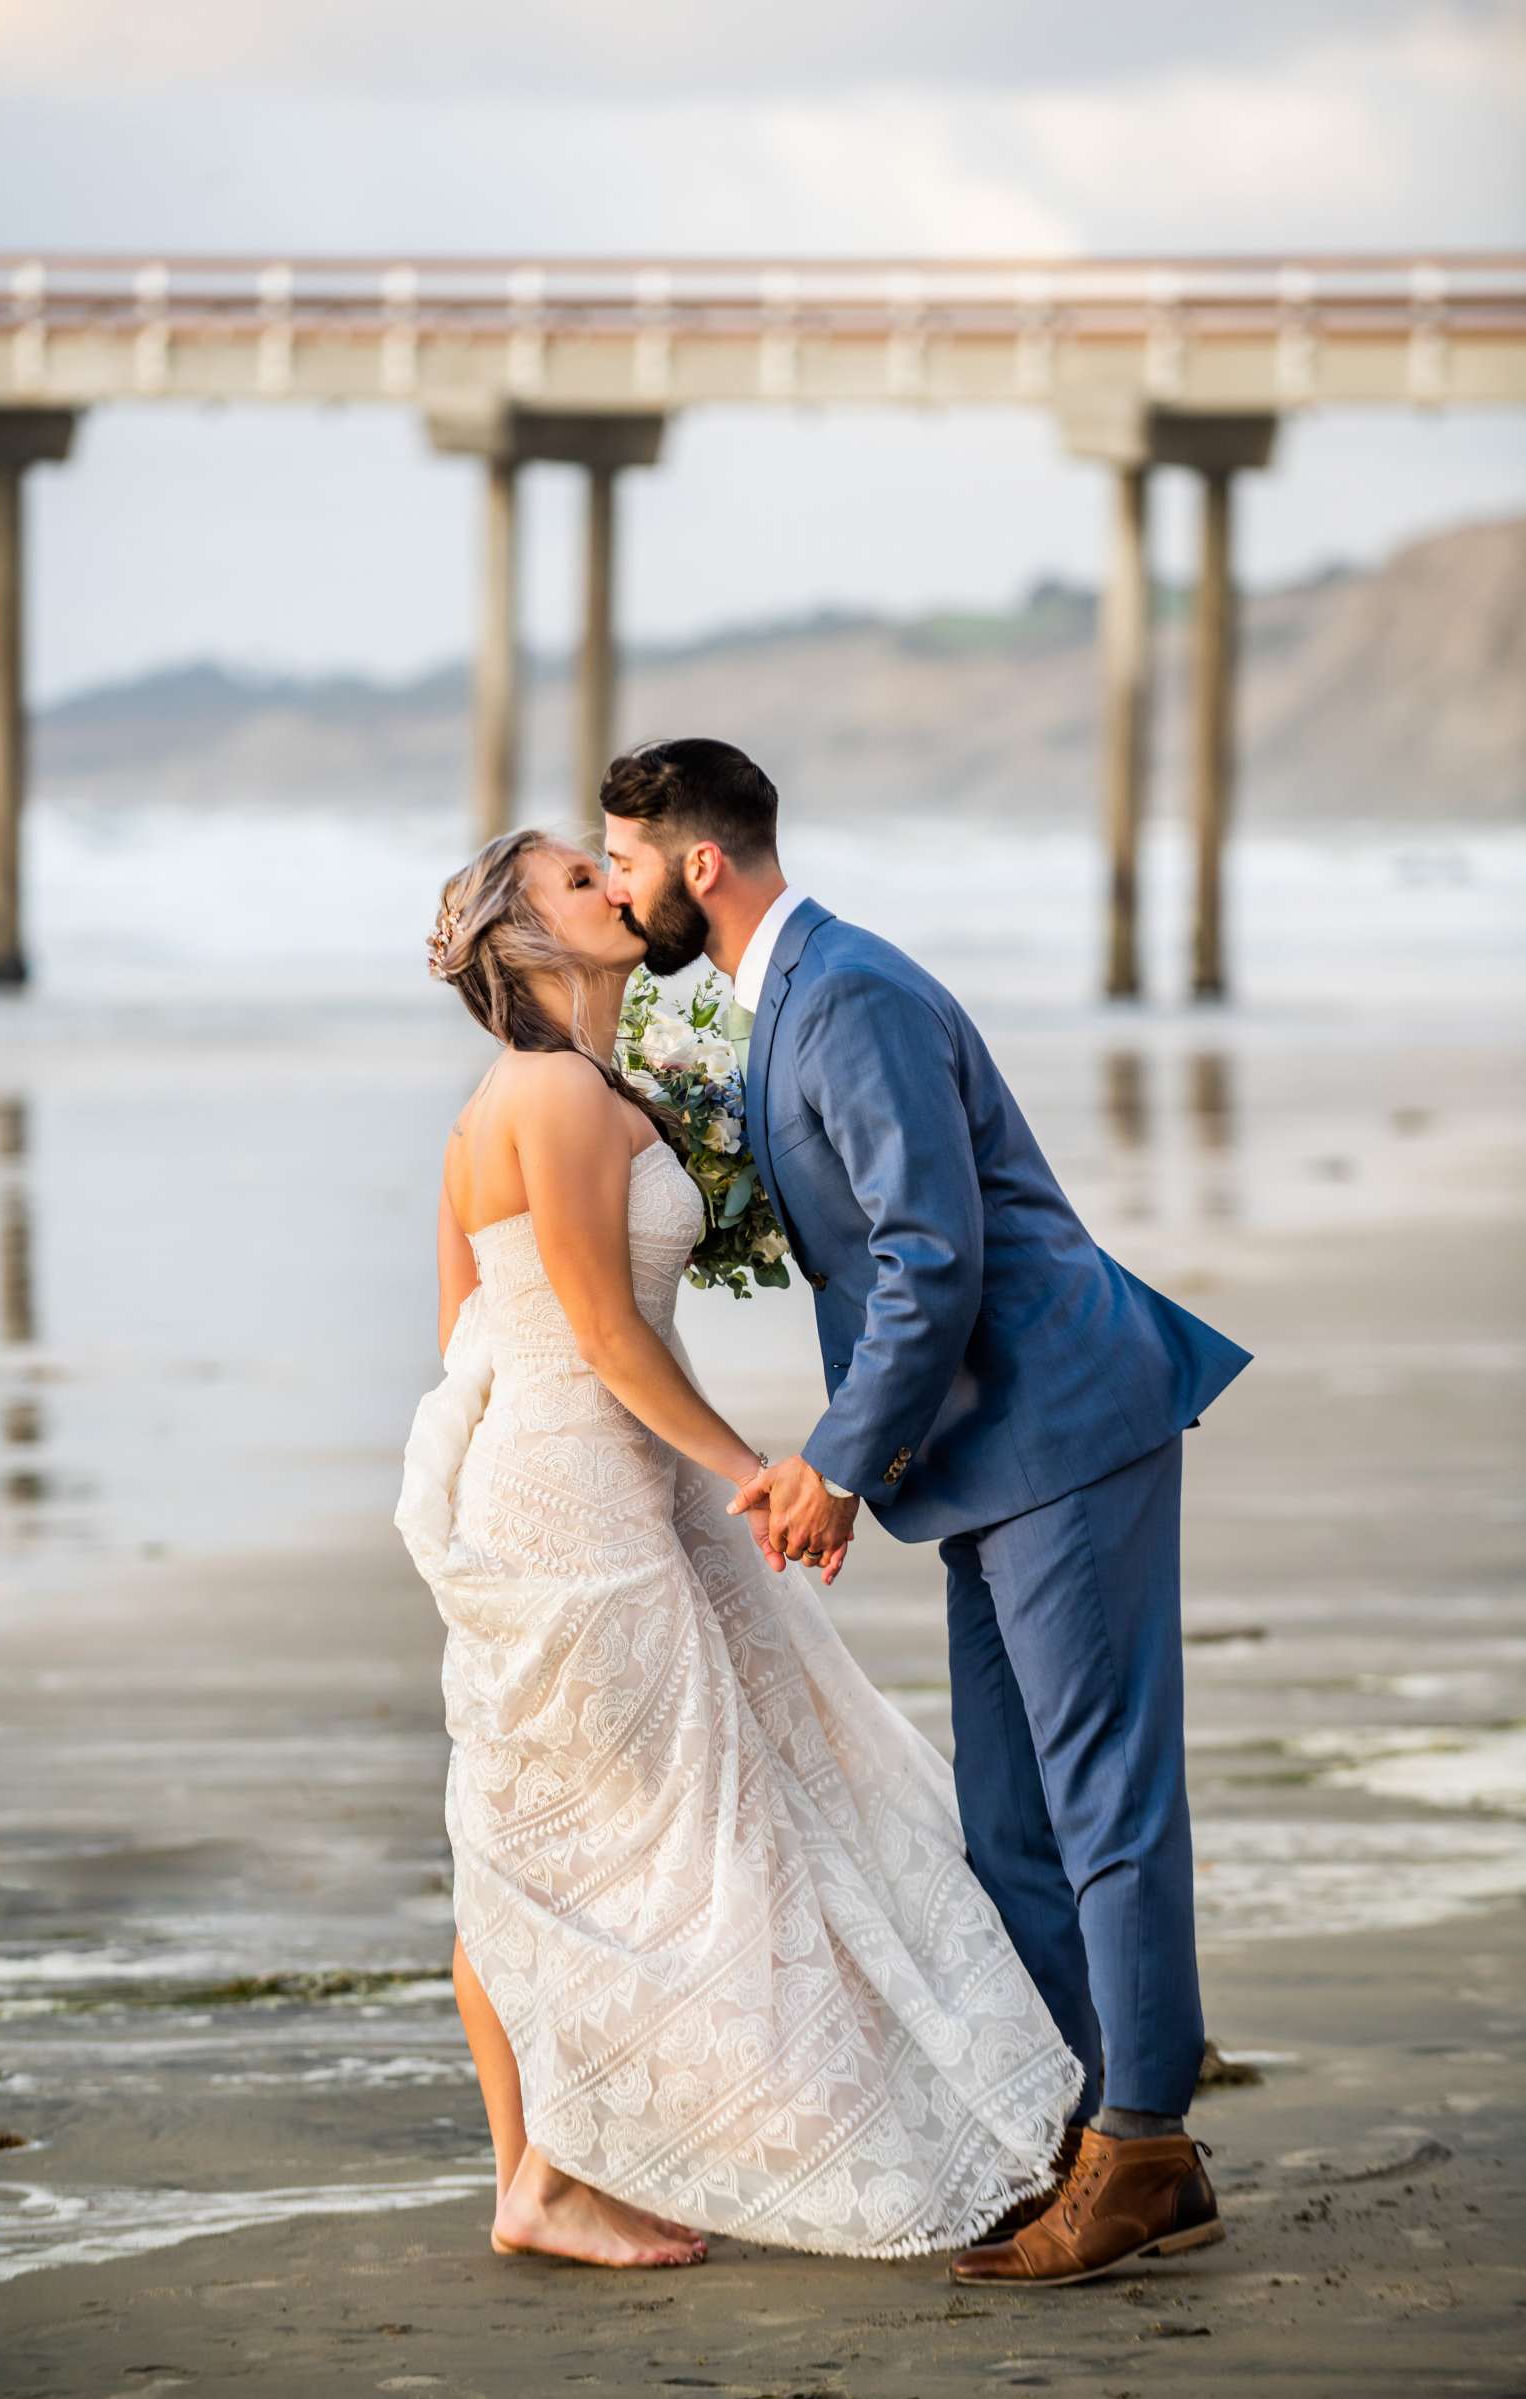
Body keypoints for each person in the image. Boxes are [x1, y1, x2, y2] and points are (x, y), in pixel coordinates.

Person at [599, 737, 1251, 2288]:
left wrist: (828, 1462)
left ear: (701, 864)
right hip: (979, 1451)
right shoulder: (780, 999)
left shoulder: (847, 993)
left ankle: (1146, 2141)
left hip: (1060, 1424)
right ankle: (1073, 2134)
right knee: (1012, 1822)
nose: (618, 890)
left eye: (624, 860)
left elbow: (931, 1257)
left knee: (1102, 1805)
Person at [394, 821, 1082, 2272]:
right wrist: (753, 1472)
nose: (613, 883)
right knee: (612, 1827)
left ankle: (535, 2176)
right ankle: (541, 2178)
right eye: (580, 880)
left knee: (545, 1826)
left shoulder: (533, 1098)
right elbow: (596, 1332)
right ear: (526, 943)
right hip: (583, 1495)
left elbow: (464, 1329)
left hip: (585, 1474)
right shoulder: (553, 1098)